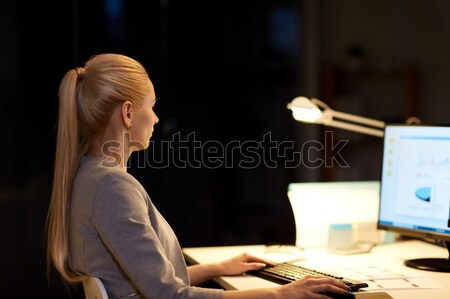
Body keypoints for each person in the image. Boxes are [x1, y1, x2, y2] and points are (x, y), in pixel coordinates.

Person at [46, 53, 351, 299]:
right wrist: (278, 294)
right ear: (127, 114)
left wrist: (216, 268)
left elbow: (146, 280)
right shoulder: (112, 187)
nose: (154, 118)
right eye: (151, 107)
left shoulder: (88, 176)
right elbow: (169, 295)